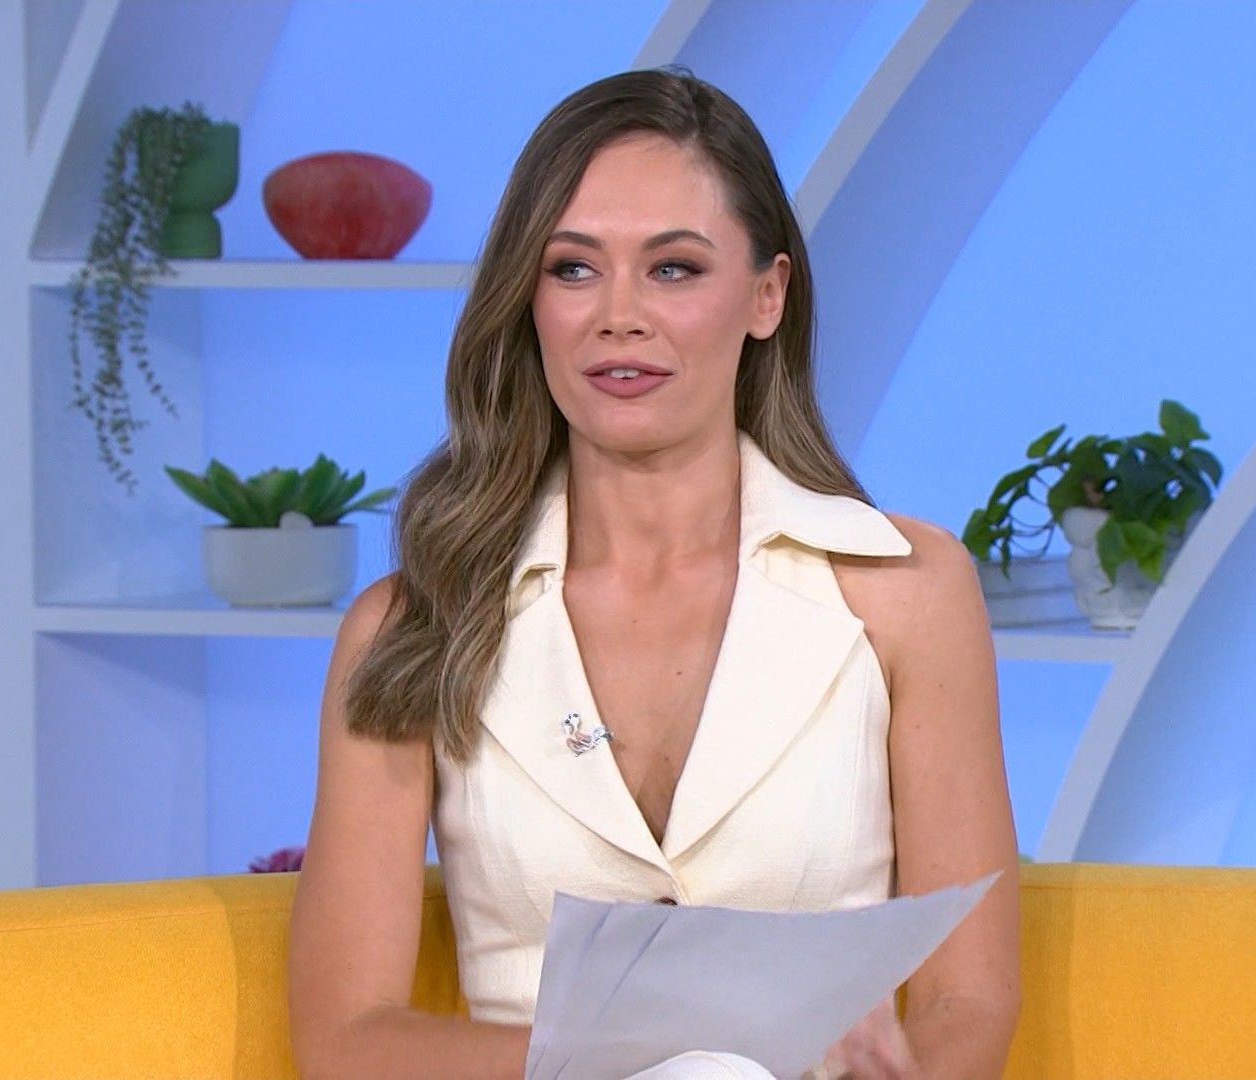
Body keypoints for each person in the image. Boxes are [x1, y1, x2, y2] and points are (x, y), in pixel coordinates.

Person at [288, 66, 1020, 1080]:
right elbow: (346, 1039)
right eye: (573, 269)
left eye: (673, 268)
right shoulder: (414, 625)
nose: (618, 315)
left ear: (766, 295)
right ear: (527, 300)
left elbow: (968, 1003)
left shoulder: (907, 594)